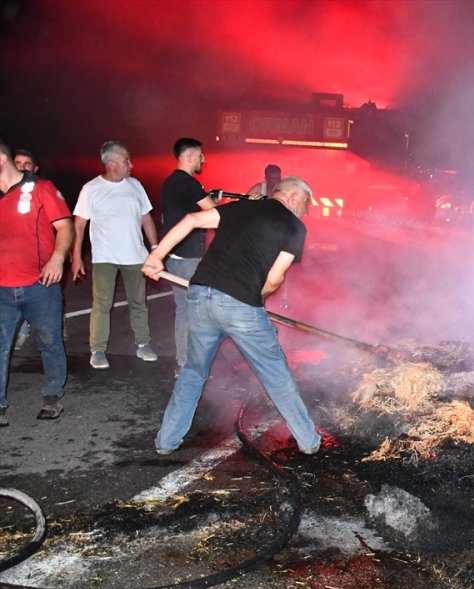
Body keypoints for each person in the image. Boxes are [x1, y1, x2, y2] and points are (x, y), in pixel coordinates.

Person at [141, 176, 323, 455]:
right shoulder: (294, 226)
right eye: (306, 204)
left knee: (193, 371)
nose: (306, 211)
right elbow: (274, 280)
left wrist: (157, 257)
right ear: (294, 196)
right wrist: (255, 298)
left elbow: (191, 219)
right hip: (240, 305)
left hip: (201, 296)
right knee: (276, 374)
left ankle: (166, 442)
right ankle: (309, 441)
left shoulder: (239, 208)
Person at [0, 136, 74, 425]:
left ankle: (52, 395)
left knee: (49, 341)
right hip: (2, 289)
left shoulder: (42, 188)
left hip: (39, 285)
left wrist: (58, 259)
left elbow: (65, 226)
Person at [71, 140, 159, 369]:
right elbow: (79, 225)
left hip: (136, 255)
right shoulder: (91, 189)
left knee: (139, 302)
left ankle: (143, 343)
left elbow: (146, 218)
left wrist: (156, 249)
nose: (131, 164)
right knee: (102, 303)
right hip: (104, 257)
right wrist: (77, 256)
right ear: (111, 164)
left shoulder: (135, 185)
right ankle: (98, 350)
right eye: (126, 160)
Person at [160, 137, 217, 377]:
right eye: (201, 155)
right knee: (195, 310)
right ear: (190, 156)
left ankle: (183, 362)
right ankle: (190, 364)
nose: (203, 160)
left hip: (175, 256)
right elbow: (213, 211)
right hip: (188, 258)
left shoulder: (170, 182)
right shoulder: (189, 183)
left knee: (184, 308)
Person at [12, 148, 40, 350]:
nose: (22, 168)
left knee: (40, 293)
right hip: (10, 255)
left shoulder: (41, 190)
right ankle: (20, 330)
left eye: (26, 164)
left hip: (35, 254)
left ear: (35, 168)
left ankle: (55, 324)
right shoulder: (5, 189)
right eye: (18, 163)